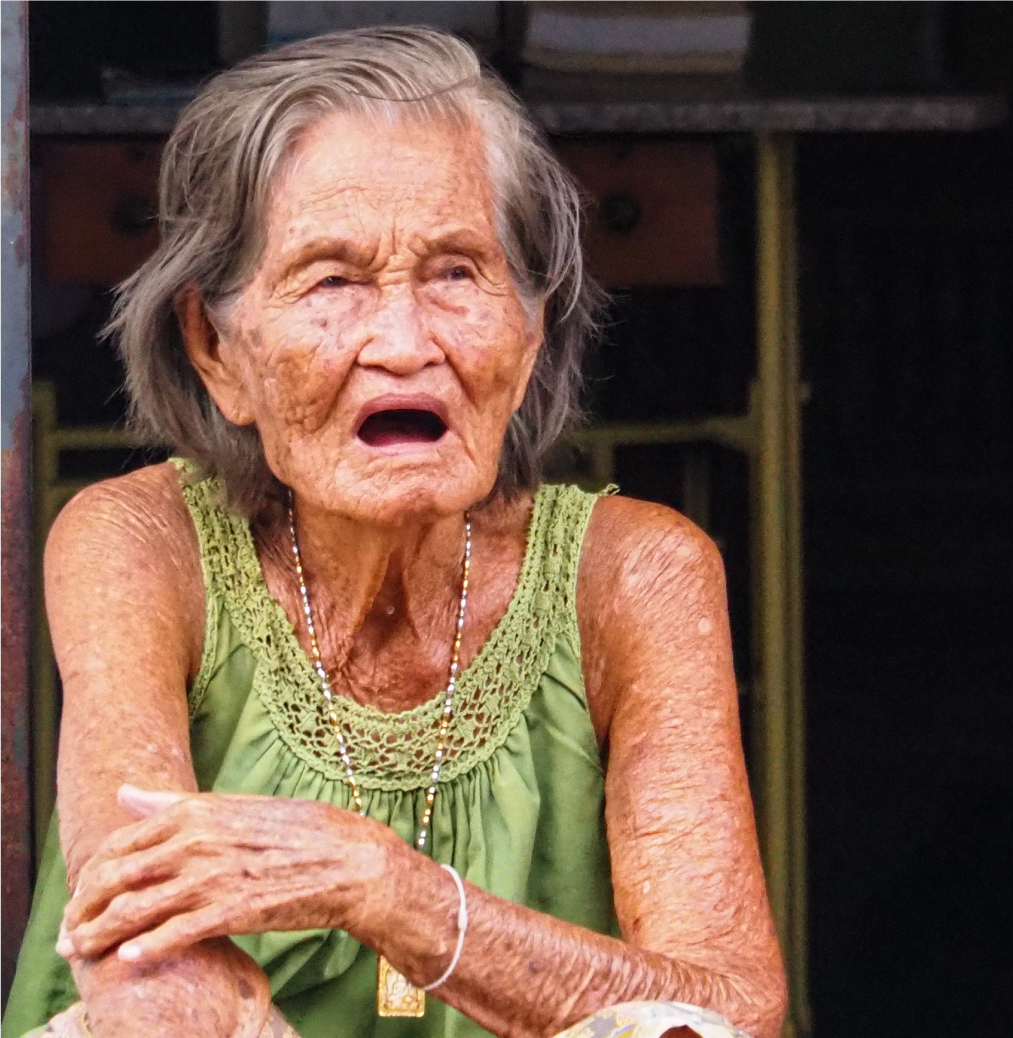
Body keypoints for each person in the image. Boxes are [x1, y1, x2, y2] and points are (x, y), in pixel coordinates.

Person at [2, 27, 784, 1038]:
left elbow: (726, 1012)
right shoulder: (137, 546)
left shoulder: (639, 577)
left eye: (457, 274)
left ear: (532, 323)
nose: (405, 343)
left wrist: (385, 890)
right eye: (332, 282)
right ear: (215, 348)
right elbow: (155, 970)